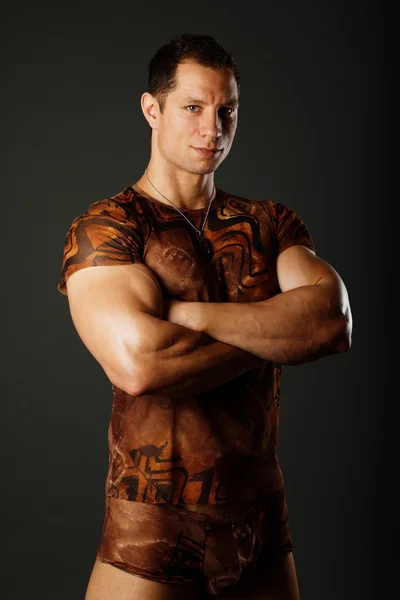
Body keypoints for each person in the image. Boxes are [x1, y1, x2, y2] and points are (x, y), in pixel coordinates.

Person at [57, 32, 352, 600]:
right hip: (154, 530)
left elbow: (332, 320)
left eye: (226, 110)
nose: (212, 128)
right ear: (152, 109)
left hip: (261, 525)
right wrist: (276, 330)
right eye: (193, 107)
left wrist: (187, 316)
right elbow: (140, 363)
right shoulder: (109, 228)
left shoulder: (268, 223)